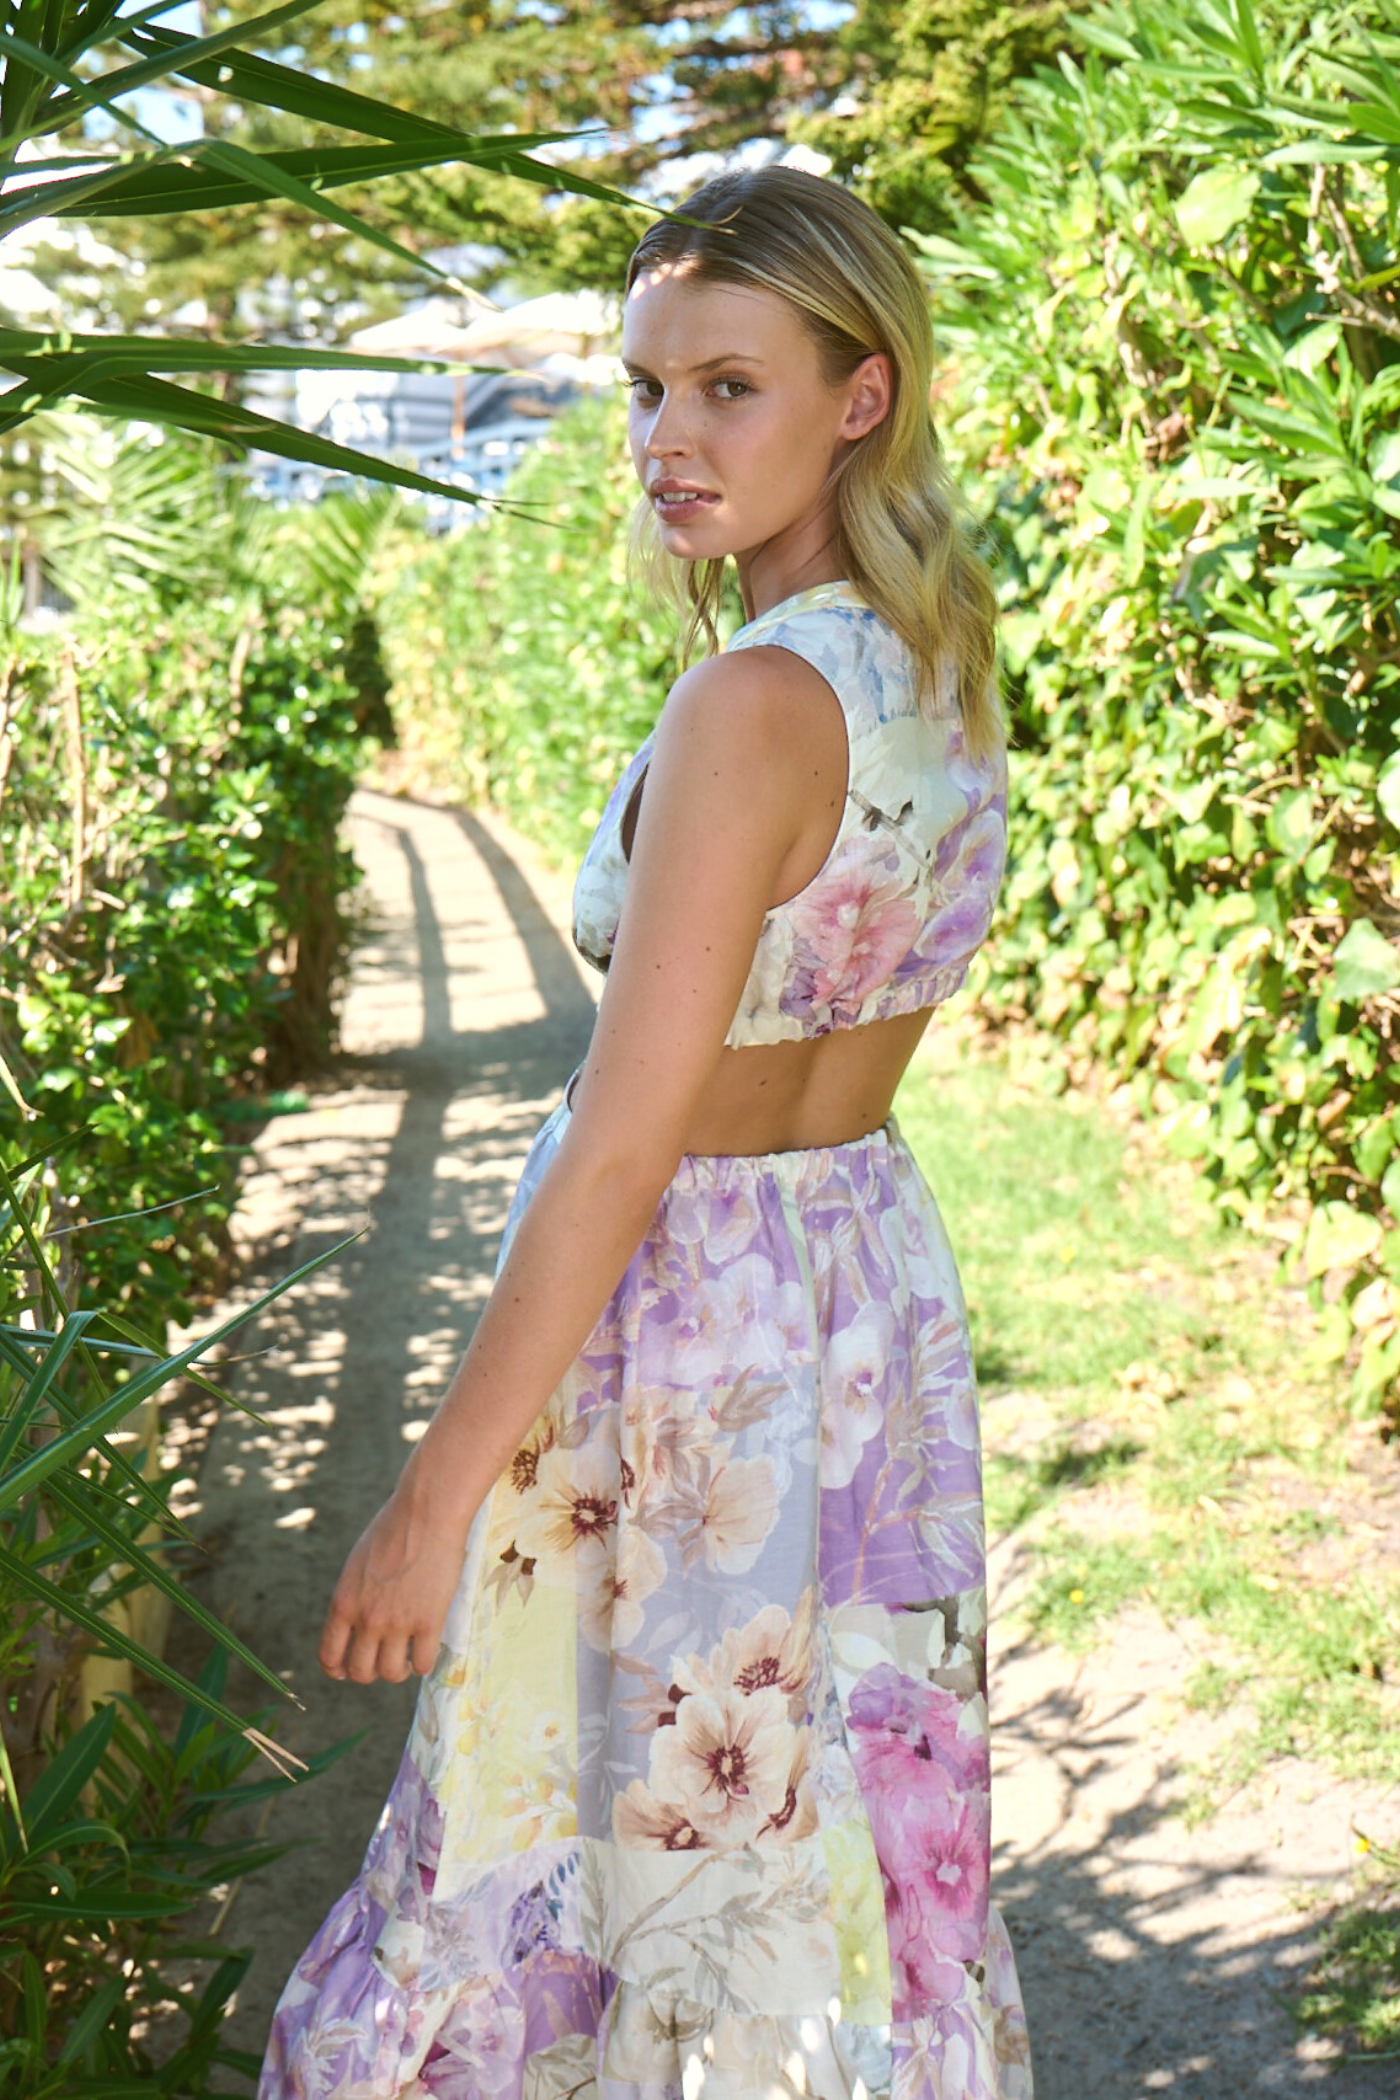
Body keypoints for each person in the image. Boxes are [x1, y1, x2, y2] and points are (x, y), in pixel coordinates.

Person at [259, 164, 1033, 2100]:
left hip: (684, 1326)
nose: (665, 440)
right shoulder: (937, 667)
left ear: (860, 397)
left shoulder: (751, 704)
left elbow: (622, 1145)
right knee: (812, 1825)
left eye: (727, 388)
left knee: (587, 1839)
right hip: (852, 1290)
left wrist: (431, 1496)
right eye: (639, 387)